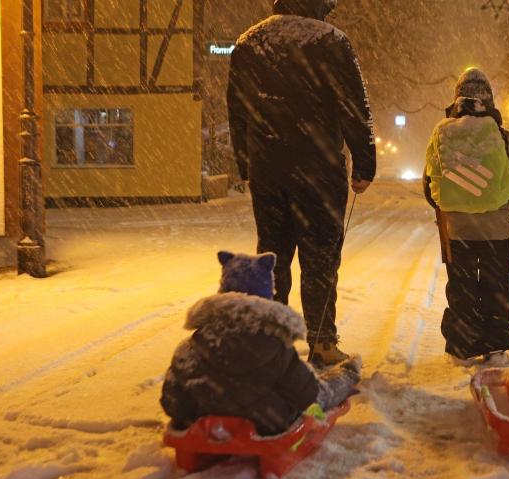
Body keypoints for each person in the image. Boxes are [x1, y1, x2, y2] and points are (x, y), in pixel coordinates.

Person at [227, 0, 376, 367]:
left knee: (272, 256)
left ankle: (273, 339)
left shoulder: (249, 43)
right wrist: (364, 162)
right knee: (320, 258)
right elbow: (355, 106)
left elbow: (237, 109)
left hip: (268, 170)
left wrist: (246, 163)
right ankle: (322, 342)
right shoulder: (331, 41)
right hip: (318, 170)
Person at [160, 252, 361, 436]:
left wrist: (195, 411)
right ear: (267, 295)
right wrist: (344, 379)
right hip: (266, 422)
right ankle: (348, 372)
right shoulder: (275, 345)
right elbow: (309, 394)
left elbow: (171, 400)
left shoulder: (190, 346)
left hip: (200, 418)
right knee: (312, 391)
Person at [423, 69, 509, 365]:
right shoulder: (502, 137)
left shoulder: (442, 134)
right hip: (496, 229)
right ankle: (495, 349)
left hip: (457, 230)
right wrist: (504, 205)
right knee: (497, 288)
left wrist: (453, 207)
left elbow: (429, 186)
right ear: (489, 100)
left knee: (462, 289)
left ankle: (461, 349)